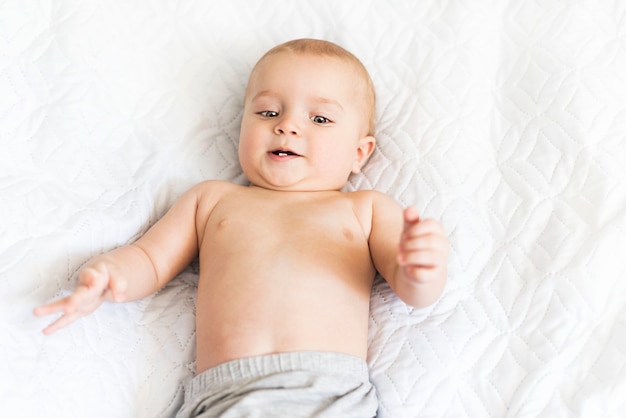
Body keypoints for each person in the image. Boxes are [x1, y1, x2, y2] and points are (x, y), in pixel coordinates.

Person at [34, 38, 450, 417]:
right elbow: (148, 258)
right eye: (268, 111)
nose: (288, 125)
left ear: (359, 153)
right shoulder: (212, 200)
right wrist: (109, 275)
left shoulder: (366, 210)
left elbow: (412, 291)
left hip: (330, 395)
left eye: (320, 119)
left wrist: (420, 268)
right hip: (223, 398)